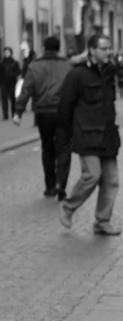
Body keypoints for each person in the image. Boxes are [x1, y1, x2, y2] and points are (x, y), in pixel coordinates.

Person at [57, 34, 121, 235]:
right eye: (103, 48)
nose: (108, 51)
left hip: (107, 135)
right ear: (92, 50)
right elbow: (65, 105)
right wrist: (69, 134)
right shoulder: (78, 74)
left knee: (111, 180)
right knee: (92, 176)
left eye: (109, 48)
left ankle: (102, 221)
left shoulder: (108, 73)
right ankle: (68, 207)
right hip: (86, 134)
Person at [13, 35, 72, 199]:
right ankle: (62, 183)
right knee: (64, 148)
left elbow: (27, 89)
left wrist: (18, 111)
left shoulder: (34, 66)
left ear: (44, 48)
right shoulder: (67, 65)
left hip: (43, 112)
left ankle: (50, 185)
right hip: (62, 111)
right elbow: (74, 88)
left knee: (47, 148)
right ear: (59, 48)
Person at [0, 47, 21, 120]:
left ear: (11, 53)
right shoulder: (2, 63)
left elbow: (18, 71)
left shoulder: (14, 62)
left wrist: (13, 75)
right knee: (4, 99)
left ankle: (13, 113)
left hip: (12, 83)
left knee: (12, 99)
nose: (6, 53)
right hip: (3, 83)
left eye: (8, 52)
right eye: (5, 52)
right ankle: (5, 115)